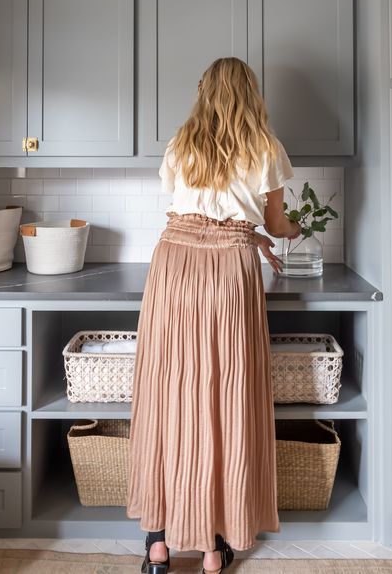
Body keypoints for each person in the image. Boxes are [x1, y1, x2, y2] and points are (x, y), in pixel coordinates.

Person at [126, 57, 301, 574]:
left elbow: (191, 212)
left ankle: (158, 546)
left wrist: (251, 234)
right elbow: (270, 218)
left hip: (174, 267)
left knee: (167, 394)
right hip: (228, 274)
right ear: (252, 93)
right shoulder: (265, 147)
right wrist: (285, 233)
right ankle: (210, 550)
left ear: (203, 92)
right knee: (224, 398)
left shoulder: (182, 144)